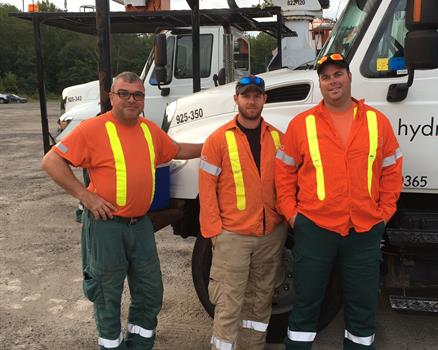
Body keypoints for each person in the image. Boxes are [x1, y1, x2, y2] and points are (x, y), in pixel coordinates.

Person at [41, 71, 202, 350]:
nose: (131, 99)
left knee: (150, 292)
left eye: (137, 94)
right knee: (106, 294)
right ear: (111, 97)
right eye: (124, 93)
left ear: (143, 99)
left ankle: (140, 344)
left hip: (141, 226)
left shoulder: (149, 130)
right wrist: (85, 197)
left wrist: (214, 144)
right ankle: (111, 346)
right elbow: (51, 161)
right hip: (106, 227)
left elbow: (177, 149)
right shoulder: (94, 129)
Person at [275, 53, 403, 350]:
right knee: (306, 304)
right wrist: (293, 216)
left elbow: (392, 171)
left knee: (362, 307)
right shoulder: (302, 124)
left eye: (338, 74)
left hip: (364, 230)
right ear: (320, 83)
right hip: (315, 229)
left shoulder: (377, 122)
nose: (332, 81)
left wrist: (384, 214)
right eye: (326, 77)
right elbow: (284, 174)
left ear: (349, 77)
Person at [199, 75, 287, 350]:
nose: (252, 101)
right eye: (246, 96)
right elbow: (206, 189)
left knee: (261, 303)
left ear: (264, 99)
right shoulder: (218, 140)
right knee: (228, 302)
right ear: (236, 99)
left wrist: (282, 220)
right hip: (232, 236)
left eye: (257, 95)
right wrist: (215, 232)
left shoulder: (277, 138)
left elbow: (287, 182)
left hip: (270, 235)